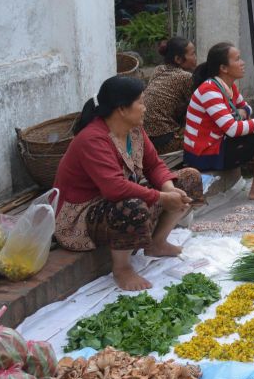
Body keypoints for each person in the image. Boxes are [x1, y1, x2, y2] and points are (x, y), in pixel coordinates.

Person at [54, 75, 204, 291]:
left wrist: (170, 189)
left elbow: (154, 165)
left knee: (189, 178)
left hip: (113, 200)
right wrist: (162, 198)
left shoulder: (134, 130)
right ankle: (122, 268)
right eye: (140, 102)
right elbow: (114, 188)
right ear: (122, 109)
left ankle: (157, 243)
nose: (145, 107)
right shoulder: (93, 139)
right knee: (131, 205)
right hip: (82, 215)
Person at [183, 42, 254, 200]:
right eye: (237, 59)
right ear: (224, 68)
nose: (242, 63)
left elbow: (246, 107)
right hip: (205, 153)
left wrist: (242, 113)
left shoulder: (227, 87)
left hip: (219, 144)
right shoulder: (209, 90)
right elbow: (232, 129)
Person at [142, 37, 197, 154]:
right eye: (193, 54)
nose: (195, 57)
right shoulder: (185, 77)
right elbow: (198, 106)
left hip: (145, 138)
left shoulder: (158, 69)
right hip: (164, 141)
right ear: (178, 59)